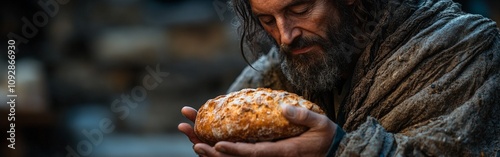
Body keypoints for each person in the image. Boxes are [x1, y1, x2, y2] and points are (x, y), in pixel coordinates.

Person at [179, 0, 500, 156]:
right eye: (267, 20)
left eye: (300, 9)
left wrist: (339, 149)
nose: (285, 36)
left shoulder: (462, 48)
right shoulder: (276, 72)